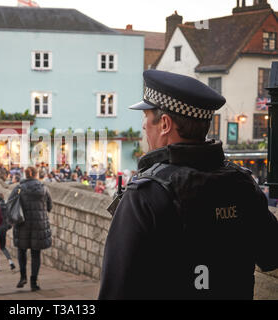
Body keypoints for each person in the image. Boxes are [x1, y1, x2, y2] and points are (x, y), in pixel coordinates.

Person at [99, 69, 278, 300]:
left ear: (164, 124)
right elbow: (270, 255)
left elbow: (116, 290)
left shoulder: (145, 194)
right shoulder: (242, 184)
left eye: (146, 115)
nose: (143, 125)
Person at [9, 166, 52, 291]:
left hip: (22, 224)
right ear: (35, 174)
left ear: (26, 175)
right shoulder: (43, 188)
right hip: (38, 225)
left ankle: (23, 277)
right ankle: (34, 282)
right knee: (35, 254)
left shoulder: (18, 188)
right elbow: (49, 206)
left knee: (22, 251)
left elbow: (11, 203)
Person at [0, 192, 16, 272]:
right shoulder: (7, 206)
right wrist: (8, 227)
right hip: (4, 228)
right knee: (3, 247)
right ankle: (10, 262)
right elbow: (10, 218)